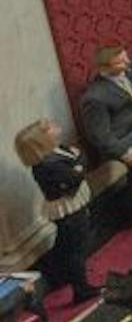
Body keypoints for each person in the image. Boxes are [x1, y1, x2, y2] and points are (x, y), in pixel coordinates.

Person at [16, 119, 97, 300]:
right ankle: (81, 288)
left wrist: (78, 164)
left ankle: (66, 274)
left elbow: (79, 164)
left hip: (72, 203)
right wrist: (78, 164)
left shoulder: (57, 151)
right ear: (41, 140)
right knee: (75, 248)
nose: (54, 126)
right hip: (67, 209)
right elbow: (74, 177)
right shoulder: (46, 165)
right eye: (48, 128)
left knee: (71, 243)